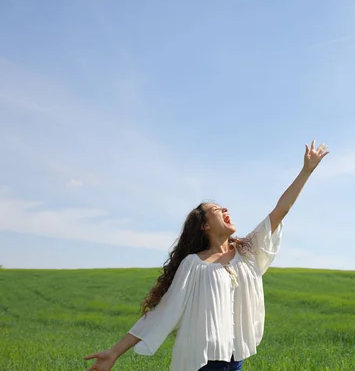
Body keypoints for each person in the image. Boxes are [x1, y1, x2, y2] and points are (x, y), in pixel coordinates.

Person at [83, 141, 330, 371]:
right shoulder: (194, 265)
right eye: (215, 210)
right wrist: (114, 352)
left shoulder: (247, 252)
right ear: (205, 226)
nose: (224, 209)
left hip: (235, 362)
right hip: (203, 364)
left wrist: (306, 171)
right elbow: (164, 310)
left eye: (223, 207)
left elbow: (281, 210)